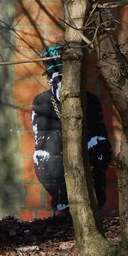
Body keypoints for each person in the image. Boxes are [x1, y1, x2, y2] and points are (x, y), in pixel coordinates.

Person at [31, 44, 111, 215]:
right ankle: (62, 204)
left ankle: (91, 203)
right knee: (44, 157)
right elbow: (41, 141)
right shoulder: (42, 102)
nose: (61, 84)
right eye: (56, 79)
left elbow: (100, 135)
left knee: (99, 147)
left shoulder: (90, 100)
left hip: (87, 161)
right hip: (57, 164)